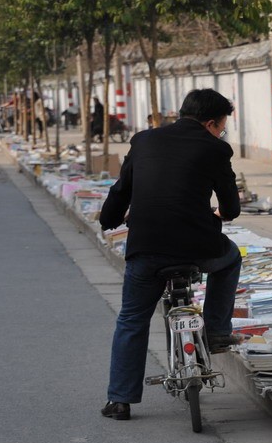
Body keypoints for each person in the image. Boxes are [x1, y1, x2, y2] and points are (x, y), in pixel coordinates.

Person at [99, 88, 242, 421]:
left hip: (146, 248)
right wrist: (221, 211)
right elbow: (231, 208)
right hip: (199, 247)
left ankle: (119, 400)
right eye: (221, 127)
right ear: (210, 123)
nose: (221, 132)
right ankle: (218, 331)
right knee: (231, 257)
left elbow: (121, 190)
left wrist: (108, 220)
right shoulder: (216, 149)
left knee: (132, 319)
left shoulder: (144, 141)